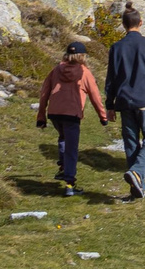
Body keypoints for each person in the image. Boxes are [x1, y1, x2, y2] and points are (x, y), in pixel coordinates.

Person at [104, 4, 145, 201]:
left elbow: (111, 78)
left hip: (124, 101)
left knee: (131, 143)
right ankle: (138, 173)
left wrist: (110, 104)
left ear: (123, 25)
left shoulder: (116, 48)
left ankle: (136, 189)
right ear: (140, 23)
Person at [34, 38, 109, 195]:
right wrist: (103, 116)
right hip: (71, 114)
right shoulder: (84, 72)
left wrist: (41, 115)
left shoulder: (56, 70)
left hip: (54, 113)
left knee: (63, 138)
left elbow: (44, 93)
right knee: (71, 148)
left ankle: (63, 168)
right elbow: (95, 96)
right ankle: (69, 184)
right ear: (83, 57)